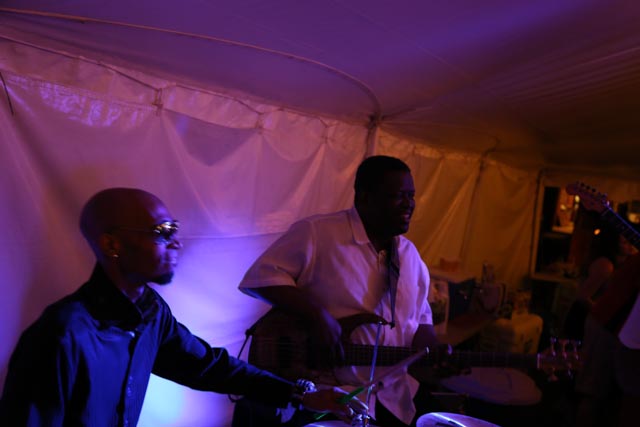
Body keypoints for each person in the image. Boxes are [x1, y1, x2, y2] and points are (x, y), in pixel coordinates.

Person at [0, 188, 365, 427]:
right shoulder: (62, 335)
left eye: (174, 229)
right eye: (162, 232)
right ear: (112, 245)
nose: (176, 243)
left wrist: (300, 394)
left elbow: (208, 366)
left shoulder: (150, 312)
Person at [238, 155, 440, 427]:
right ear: (365, 197)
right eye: (397, 195)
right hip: (328, 395)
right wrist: (318, 316)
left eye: (411, 195)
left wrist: (430, 348)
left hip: (394, 398)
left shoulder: (410, 255)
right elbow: (261, 277)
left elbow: (421, 314)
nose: (408, 204)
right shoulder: (319, 233)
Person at [574, 249, 640, 427]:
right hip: (607, 325)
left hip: (609, 324)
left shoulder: (633, 259)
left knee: (597, 391)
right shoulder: (617, 262)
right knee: (592, 391)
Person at [563, 223, 635, 341]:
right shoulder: (605, 265)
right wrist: (603, 314)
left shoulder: (622, 264)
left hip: (592, 318)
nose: (630, 245)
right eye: (625, 242)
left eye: (630, 241)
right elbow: (582, 297)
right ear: (613, 243)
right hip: (583, 318)